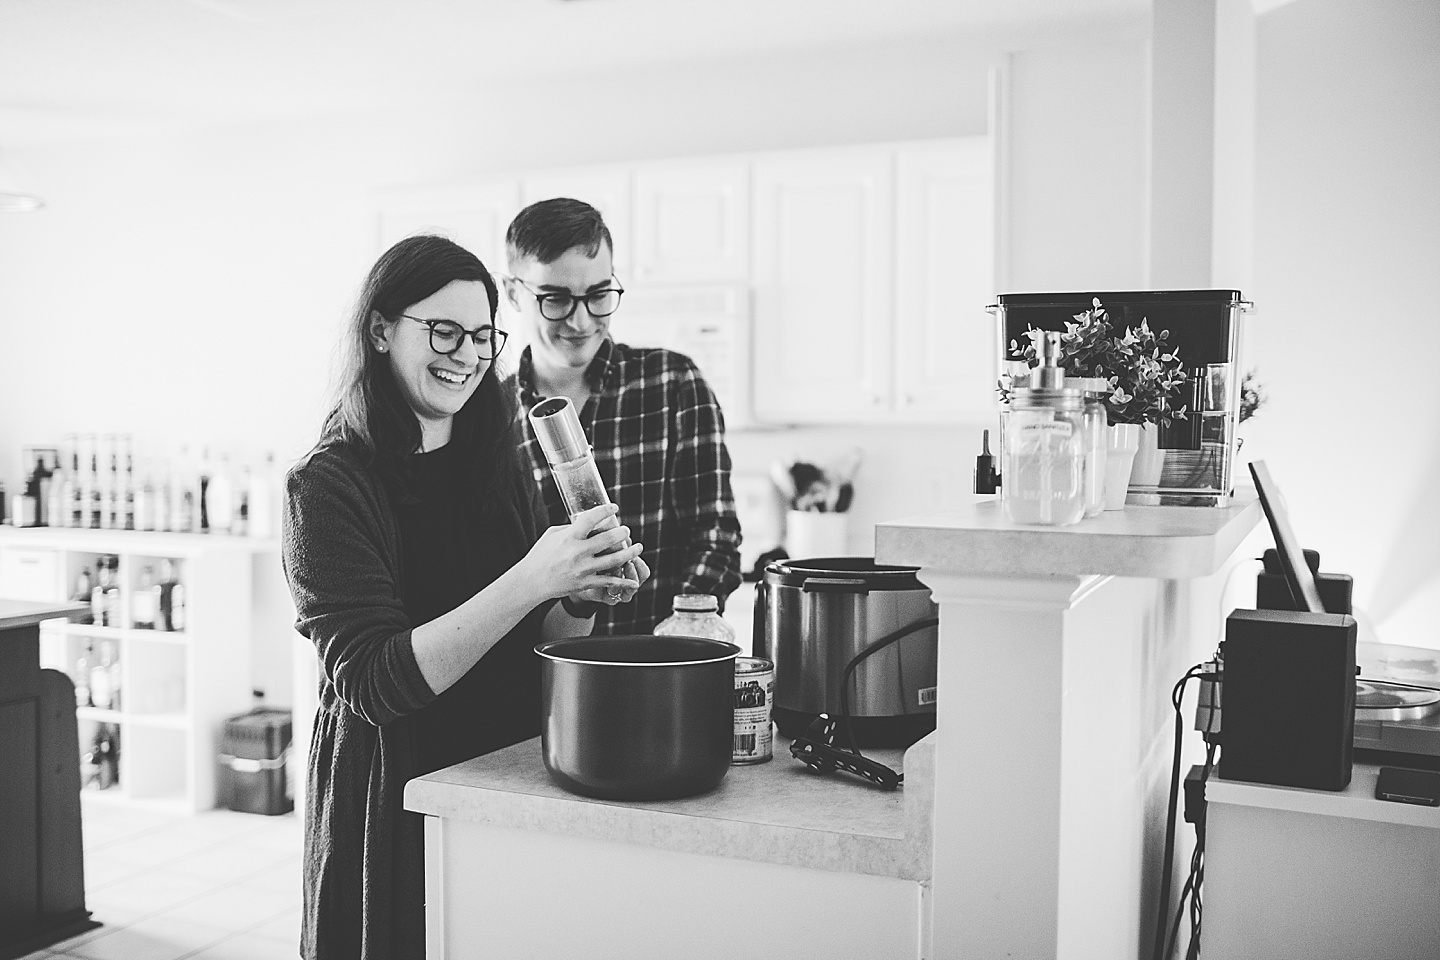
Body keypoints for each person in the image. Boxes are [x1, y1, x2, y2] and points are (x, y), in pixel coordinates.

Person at [281, 234, 648, 960]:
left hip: (502, 773)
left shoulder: (495, 457)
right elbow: (374, 682)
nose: (468, 355)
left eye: (483, 336)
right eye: (443, 331)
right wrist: (533, 578)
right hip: (397, 792)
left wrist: (579, 595)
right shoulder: (325, 485)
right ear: (381, 329)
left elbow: (537, 643)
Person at [505, 198, 741, 634]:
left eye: (598, 295)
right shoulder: (489, 418)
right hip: (543, 679)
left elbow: (716, 536)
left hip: (663, 668)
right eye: (555, 299)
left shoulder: (674, 383)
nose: (580, 321)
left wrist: (678, 634)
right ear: (513, 292)